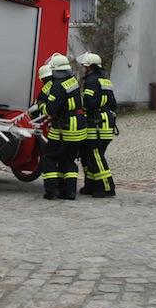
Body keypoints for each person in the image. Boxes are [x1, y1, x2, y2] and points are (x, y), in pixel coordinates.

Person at [38, 54, 87, 200]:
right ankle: (69, 192)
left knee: (49, 157)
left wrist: (41, 106)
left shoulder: (57, 86)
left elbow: (51, 109)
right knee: (68, 159)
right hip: (78, 126)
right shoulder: (72, 81)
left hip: (64, 127)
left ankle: (52, 190)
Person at [76, 52, 116, 198]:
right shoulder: (105, 81)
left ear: (90, 67)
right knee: (88, 157)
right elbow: (113, 104)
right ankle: (91, 185)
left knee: (95, 156)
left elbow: (89, 102)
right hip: (106, 122)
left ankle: (107, 187)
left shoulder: (90, 81)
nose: (82, 69)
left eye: (84, 66)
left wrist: (78, 105)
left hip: (96, 125)